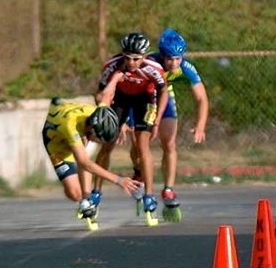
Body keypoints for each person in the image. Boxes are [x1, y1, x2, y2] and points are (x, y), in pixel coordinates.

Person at [126, 28, 209, 216]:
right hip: (142, 99)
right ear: (162, 56)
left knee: (170, 143)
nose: (174, 63)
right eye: (170, 59)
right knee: (139, 146)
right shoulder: (149, 62)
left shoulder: (185, 67)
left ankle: (168, 189)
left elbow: (202, 98)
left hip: (165, 99)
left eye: (178, 58)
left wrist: (200, 126)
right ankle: (138, 171)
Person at [91, 32, 169, 223]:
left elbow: (164, 90)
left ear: (144, 56)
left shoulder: (154, 69)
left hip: (145, 99)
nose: (131, 62)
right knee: (107, 144)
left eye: (136, 59)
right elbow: (101, 95)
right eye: (127, 58)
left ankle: (149, 196)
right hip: (121, 100)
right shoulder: (112, 66)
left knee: (143, 147)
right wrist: (115, 121)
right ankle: (95, 194)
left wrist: (157, 120)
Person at [41, 97, 140, 219]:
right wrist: (118, 180)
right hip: (56, 144)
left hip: (75, 127)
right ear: (91, 129)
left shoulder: (96, 112)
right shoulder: (70, 126)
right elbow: (85, 163)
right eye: (98, 138)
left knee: (82, 149)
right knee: (74, 194)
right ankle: (80, 196)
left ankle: (87, 199)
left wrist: (121, 124)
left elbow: (103, 98)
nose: (98, 142)